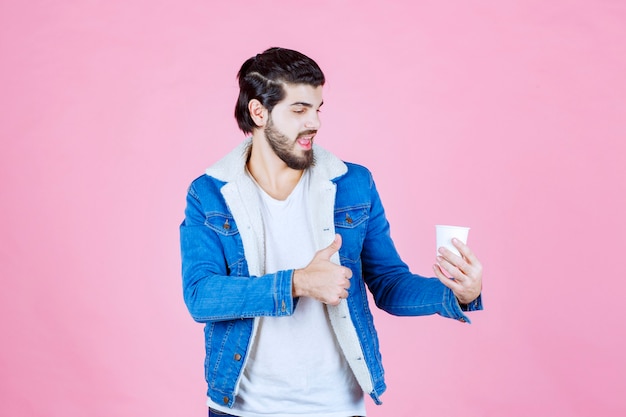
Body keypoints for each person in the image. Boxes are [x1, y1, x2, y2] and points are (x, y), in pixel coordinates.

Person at [180, 47, 483, 417]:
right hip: (241, 409)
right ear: (259, 112)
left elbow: (388, 282)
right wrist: (297, 283)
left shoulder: (353, 184)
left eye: (317, 108)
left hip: (337, 407)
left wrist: (457, 293)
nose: (315, 123)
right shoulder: (210, 193)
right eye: (299, 109)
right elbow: (201, 296)